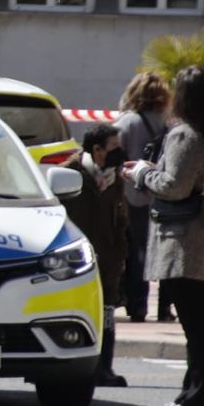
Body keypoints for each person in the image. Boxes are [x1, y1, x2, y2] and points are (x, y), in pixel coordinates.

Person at [121, 66, 204, 406]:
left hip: (185, 241)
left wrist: (142, 172)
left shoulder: (186, 135)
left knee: (195, 324)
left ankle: (200, 400)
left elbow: (173, 185)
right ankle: (194, 396)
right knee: (198, 321)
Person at [63, 125, 131, 387]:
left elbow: (121, 219)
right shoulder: (71, 174)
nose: (119, 152)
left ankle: (105, 368)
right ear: (97, 150)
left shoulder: (116, 179)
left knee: (107, 315)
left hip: (108, 260)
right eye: (114, 147)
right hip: (77, 260)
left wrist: (120, 254)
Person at [114, 73, 171, 322]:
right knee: (165, 251)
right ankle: (165, 307)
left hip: (133, 194)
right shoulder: (169, 124)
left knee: (137, 250)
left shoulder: (126, 122)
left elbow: (113, 159)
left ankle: (138, 305)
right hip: (164, 195)